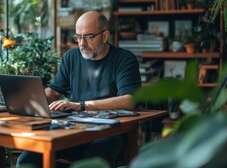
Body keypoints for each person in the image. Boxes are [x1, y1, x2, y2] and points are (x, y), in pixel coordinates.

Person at [16, 11, 141, 168]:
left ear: (105, 35)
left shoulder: (124, 59)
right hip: (74, 130)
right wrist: (34, 101)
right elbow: (54, 91)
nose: (81, 43)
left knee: (96, 158)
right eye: (78, 37)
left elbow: (130, 100)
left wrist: (81, 105)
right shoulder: (71, 57)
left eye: (88, 37)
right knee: (27, 159)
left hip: (107, 133)